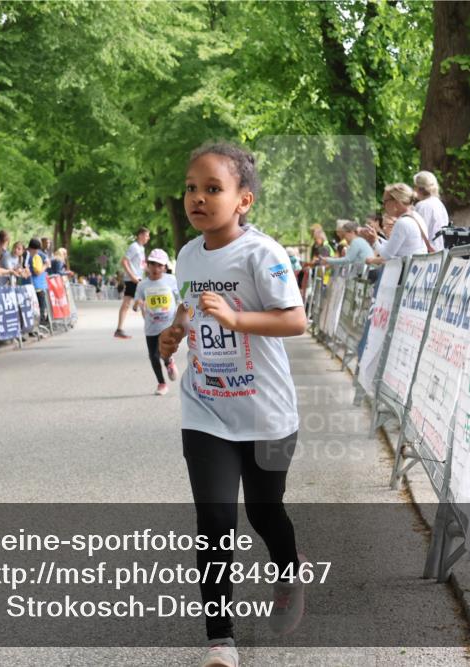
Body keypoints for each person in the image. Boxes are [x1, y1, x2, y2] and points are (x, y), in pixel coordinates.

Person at [158, 143, 308, 667]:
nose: (197, 198)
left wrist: (238, 320)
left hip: (265, 411)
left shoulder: (261, 254)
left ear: (243, 200)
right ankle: (220, 642)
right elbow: (188, 307)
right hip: (206, 408)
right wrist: (175, 333)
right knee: (215, 519)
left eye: (212, 189)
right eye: (191, 188)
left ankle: (288, 571)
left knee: (266, 514)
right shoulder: (186, 254)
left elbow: (295, 321)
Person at [134, 248, 180, 396]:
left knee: (163, 351)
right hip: (151, 326)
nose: (156, 268)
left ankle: (168, 361)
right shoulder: (142, 285)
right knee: (153, 356)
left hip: (168, 323)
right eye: (153, 264)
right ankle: (161, 383)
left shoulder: (171, 280)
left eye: (160, 265)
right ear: (148, 265)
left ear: (165, 267)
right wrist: (139, 304)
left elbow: (181, 297)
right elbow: (136, 302)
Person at [366, 183, 432, 265]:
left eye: (385, 201)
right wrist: (377, 238)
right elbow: (397, 247)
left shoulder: (402, 222)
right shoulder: (416, 216)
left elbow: (386, 256)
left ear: (396, 202)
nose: (383, 206)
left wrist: (375, 242)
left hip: (406, 273)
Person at [113, 227, 150, 339]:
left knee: (129, 303)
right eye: (147, 235)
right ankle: (152, 330)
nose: (148, 238)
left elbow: (142, 265)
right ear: (140, 235)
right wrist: (133, 276)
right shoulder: (134, 247)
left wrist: (155, 271)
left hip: (138, 279)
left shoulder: (141, 248)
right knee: (142, 303)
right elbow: (124, 261)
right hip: (133, 279)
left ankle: (119, 329)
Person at [413, 170, 450, 251]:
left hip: (426, 253)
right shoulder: (439, 204)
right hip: (439, 251)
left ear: (419, 188)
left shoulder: (422, 206)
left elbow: (417, 234)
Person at [24, 237, 49, 317]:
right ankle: (40, 321)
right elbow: (37, 271)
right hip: (35, 285)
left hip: (31, 284)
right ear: (34, 249)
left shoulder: (27, 253)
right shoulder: (31, 255)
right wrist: (45, 266)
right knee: (39, 305)